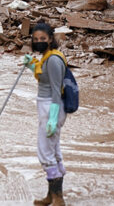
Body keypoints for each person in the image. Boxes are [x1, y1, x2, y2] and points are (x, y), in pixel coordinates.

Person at [22, 22, 68, 206]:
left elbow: (57, 90)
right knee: (53, 150)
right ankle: (52, 196)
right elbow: (44, 79)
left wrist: (53, 118)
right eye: (35, 39)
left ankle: (58, 197)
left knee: (45, 152)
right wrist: (32, 66)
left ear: (50, 39)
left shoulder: (55, 59)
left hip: (52, 107)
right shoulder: (47, 56)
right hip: (46, 105)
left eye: (43, 39)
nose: (39, 42)